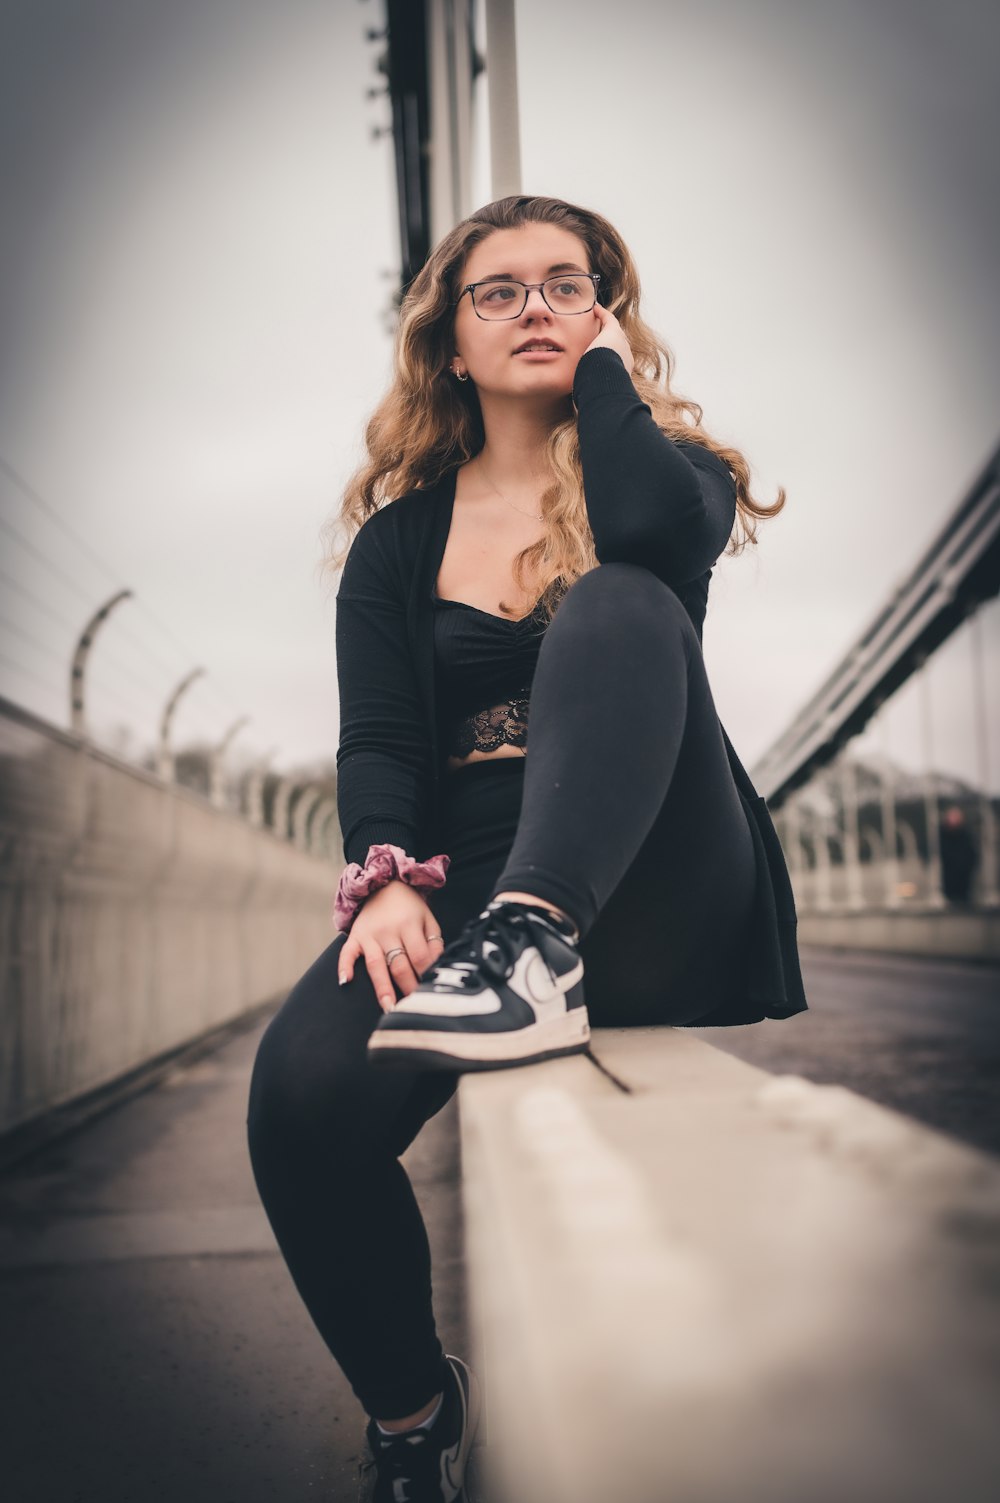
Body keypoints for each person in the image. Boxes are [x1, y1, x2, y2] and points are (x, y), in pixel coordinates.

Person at [247, 194, 808, 1502]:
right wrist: (384, 875)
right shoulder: (397, 543)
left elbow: (657, 547)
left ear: (606, 316)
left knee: (619, 599)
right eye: (501, 291)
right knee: (301, 1105)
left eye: (572, 285)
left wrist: (603, 376)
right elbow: (381, 739)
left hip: (650, 863)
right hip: (464, 882)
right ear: (450, 339)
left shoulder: (671, 481)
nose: (539, 307)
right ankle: (411, 1411)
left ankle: (537, 941)